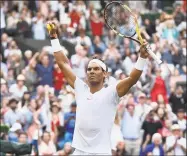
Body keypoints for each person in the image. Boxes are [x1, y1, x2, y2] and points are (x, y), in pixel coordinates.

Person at [46, 22, 150, 155]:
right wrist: (54, 38)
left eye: (96, 69)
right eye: (89, 69)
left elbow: (132, 79)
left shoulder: (112, 92)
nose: (91, 71)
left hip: (101, 152)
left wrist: (142, 57)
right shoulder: (80, 88)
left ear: (105, 73)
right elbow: (62, 63)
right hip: (79, 151)